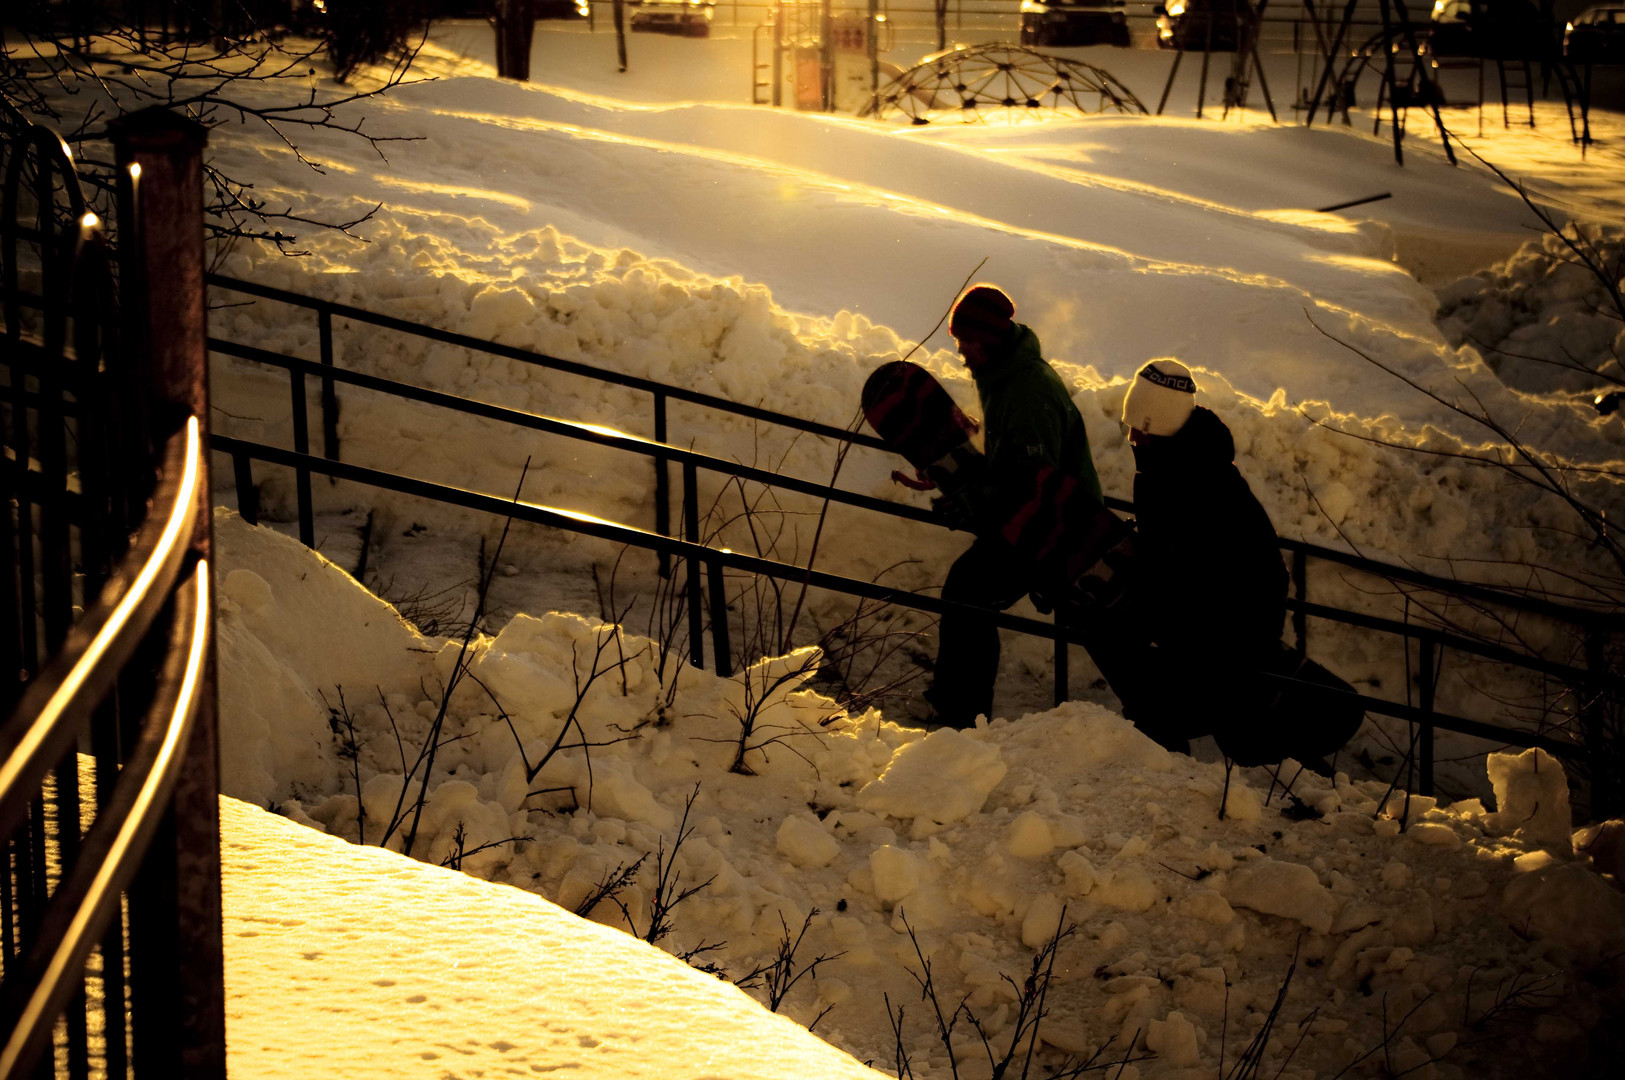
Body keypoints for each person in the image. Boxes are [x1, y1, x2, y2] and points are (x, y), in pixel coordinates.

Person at [919, 285, 1102, 728]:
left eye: (968, 343)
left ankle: (962, 715)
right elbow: (1013, 468)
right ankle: (959, 706)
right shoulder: (1004, 376)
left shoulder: (1027, 391)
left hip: (1060, 528)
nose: (961, 353)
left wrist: (972, 503)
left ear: (992, 339)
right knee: (969, 592)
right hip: (1041, 516)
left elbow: (1031, 482)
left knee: (970, 592)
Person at [1105, 358, 1288, 756]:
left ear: (1159, 426)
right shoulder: (1176, 467)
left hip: (1226, 636)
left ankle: (1170, 775)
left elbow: (1192, 563)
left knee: (1152, 701)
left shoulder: (1194, 481)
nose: (1132, 435)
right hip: (1211, 626)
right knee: (1125, 660)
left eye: (1139, 426)